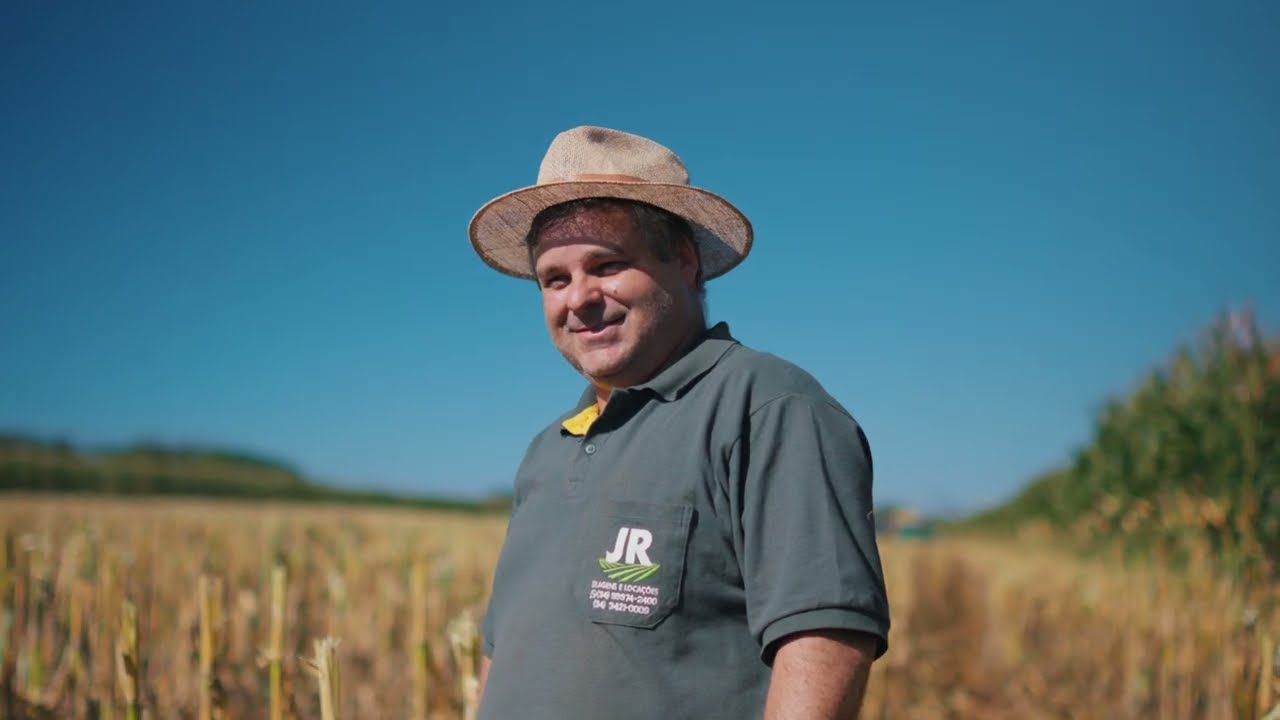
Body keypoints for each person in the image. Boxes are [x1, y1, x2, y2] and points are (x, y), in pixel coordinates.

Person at [468, 126, 890, 719]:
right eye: (554, 280)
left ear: (686, 263)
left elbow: (823, 636)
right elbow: (501, 651)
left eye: (607, 265)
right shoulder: (548, 448)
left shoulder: (767, 405)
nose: (578, 298)